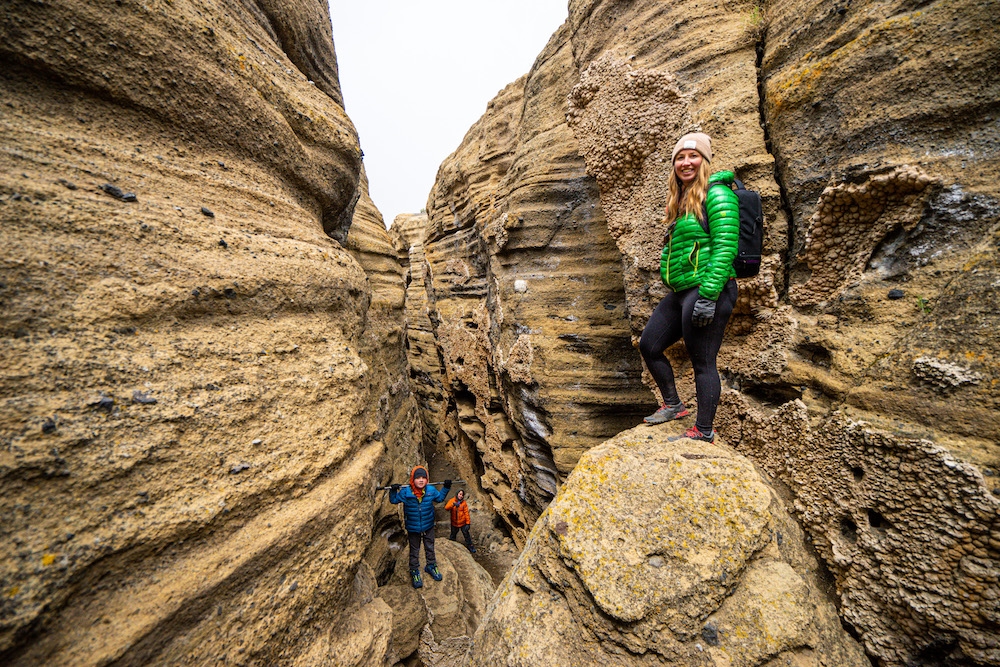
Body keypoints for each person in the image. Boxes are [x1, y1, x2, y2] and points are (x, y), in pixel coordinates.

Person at [639, 132, 740, 443]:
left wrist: (709, 295)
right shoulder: (682, 199)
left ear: (705, 161)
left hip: (709, 289)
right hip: (682, 291)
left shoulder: (718, 195)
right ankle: (673, 405)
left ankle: (704, 430)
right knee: (649, 345)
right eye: (680, 158)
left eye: (693, 156)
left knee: (703, 361)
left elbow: (725, 247)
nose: (686, 162)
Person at [389, 466, 451, 588]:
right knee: (414, 550)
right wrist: (393, 490)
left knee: (429, 546)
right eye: (418, 478)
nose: (421, 480)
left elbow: (439, 499)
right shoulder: (406, 493)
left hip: (428, 525)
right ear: (413, 479)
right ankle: (414, 571)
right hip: (413, 527)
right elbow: (394, 500)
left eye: (424, 477)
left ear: (427, 479)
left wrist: (446, 488)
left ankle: (431, 565)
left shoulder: (431, 490)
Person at [445, 489, 476, 553]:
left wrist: (468, 523)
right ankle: (451, 546)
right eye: (460, 494)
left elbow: (466, 513)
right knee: (453, 535)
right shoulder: (452, 501)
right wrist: (453, 505)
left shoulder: (463, 503)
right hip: (454, 523)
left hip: (462, 523)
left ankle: (470, 546)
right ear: (457, 494)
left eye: (462, 495)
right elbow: (446, 508)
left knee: (466, 535)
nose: (461, 496)